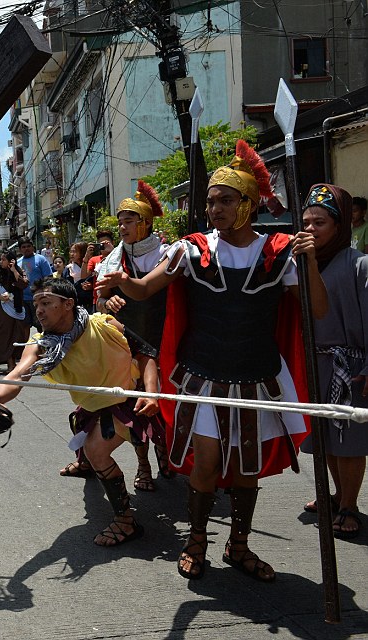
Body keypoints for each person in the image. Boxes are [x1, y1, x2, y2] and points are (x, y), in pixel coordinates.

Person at [97, 139, 328, 582]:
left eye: (226, 199)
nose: (214, 208)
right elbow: (146, 289)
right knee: (205, 464)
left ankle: (237, 546)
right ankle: (197, 540)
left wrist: (311, 260)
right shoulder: (191, 249)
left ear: (248, 203)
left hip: (256, 377)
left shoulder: (280, 252)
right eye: (210, 200)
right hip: (203, 376)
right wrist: (122, 281)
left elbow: (316, 310)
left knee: (245, 470)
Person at [0, 277, 161, 548]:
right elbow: (18, 374)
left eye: (46, 303)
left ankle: (126, 519)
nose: (39, 310)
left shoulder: (104, 325)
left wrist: (150, 392)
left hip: (130, 395)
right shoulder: (41, 343)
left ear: (68, 304)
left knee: (100, 449)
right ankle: (94, 466)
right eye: (36, 304)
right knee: (80, 426)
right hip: (93, 403)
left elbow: (146, 353)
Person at [297, 184, 367, 539]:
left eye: (319, 222)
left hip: (350, 367)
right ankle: (337, 494)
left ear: (338, 227)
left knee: (350, 441)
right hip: (316, 363)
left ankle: (350, 504)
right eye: (306, 222)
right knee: (324, 437)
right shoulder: (301, 263)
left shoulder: (359, 264)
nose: (310, 229)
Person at [93, 180, 173, 490]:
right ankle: (143, 465)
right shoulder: (112, 259)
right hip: (127, 346)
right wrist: (106, 300)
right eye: (120, 222)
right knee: (134, 409)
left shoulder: (167, 253)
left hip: (164, 341)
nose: (123, 227)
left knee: (164, 405)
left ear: (146, 222)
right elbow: (99, 300)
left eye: (129, 221)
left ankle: (165, 454)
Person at [0, 249, 29, 370]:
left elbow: (23, 284)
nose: (1, 262)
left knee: (16, 337)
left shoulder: (19, 271)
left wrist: (14, 269)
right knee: (3, 337)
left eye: (4, 259)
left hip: (16, 309)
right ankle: (9, 363)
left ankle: (14, 361)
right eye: (1, 259)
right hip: (1, 311)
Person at [17, 236, 53, 329]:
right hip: (24, 300)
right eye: (23, 247)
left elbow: (49, 278)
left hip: (39, 298)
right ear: (20, 249)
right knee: (24, 326)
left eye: (28, 246)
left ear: (33, 247)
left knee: (42, 325)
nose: (26, 249)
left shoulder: (41, 259)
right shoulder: (18, 262)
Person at [64, 241, 95, 311]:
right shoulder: (68, 269)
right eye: (70, 251)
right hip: (74, 305)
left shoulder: (91, 268)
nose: (71, 254)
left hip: (89, 305)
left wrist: (91, 287)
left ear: (82, 253)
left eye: (74, 252)